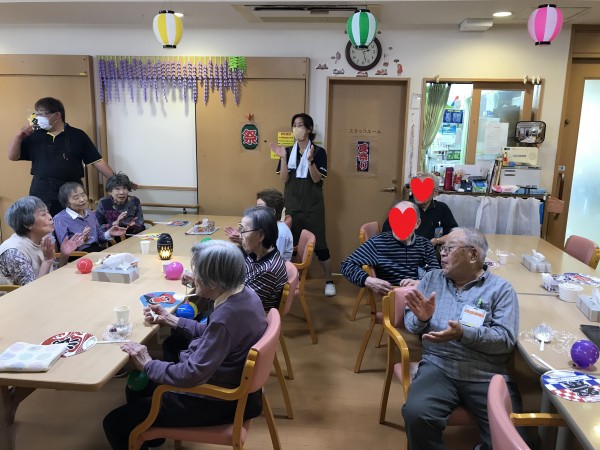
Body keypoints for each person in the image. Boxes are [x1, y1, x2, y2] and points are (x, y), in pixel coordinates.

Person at [103, 240, 266, 450]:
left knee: (115, 423)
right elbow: (213, 335)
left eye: (196, 272)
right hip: (232, 386)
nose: (192, 276)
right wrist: (171, 319)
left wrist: (148, 363)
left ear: (214, 281)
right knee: (137, 388)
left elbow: (191, 374)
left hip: (217, 399)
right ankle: (152, 436)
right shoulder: (244, 294)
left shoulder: (226, 317)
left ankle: (149, 430)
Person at [402, 227, 522, 450]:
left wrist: (463, 334)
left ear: (473, 255)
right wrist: (421, 319)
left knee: (510, 436)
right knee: (417, 414)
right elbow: (410, 323)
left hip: (486, 373)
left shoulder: (501, 289)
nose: (442, 253)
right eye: (442, 248)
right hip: (438, 366)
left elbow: (505, 340)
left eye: (449, 248)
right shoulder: (431, 279)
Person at [7, 97, 122, 216]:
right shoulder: (35, 135)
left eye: (42, 114)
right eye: (36, 114)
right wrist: (19, 136)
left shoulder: (77, 135)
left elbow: (96, 161)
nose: (37, 117)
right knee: (44, 224)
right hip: (42, 190)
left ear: (57, 115)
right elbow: (12, 156)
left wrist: (117, 182)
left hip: (72, 190)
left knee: (75, 223)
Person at [271, 113, 336, 296]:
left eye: (300, 125)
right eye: (294, 125)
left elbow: (316, 179)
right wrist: (283, 158)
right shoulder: (287, 151)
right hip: (292, 205)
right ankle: (293, 280)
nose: (296, 128)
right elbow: (285, 178)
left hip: (313, 206)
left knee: (320, 244)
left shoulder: (319, 151)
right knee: (290, 244)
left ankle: (329, 281)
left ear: (309, 129)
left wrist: (310, 160)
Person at [341, 201, 439, 296]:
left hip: (423, 293)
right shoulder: (378, 243)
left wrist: (420, 282)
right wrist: (368, 280)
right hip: (394, 296)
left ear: (417, 223)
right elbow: (346, 265)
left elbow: (436, 274)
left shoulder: (425, 244)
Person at [0, 196, 84, 286]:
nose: (50, 217)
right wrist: (47, 260)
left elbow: (52, 276)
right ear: (26, 224)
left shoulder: (42, 239)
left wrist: (64, 255)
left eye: (48, 212)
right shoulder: (14, 252)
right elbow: (32, 289)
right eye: (43, 214)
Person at [382, 173, 458, 247]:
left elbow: (455, 233)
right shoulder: (404, 207)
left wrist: (437, 240)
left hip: (431, 250)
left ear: (435, 193)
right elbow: (386, 232)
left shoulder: (442, 208)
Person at [53, 182, 126, 252]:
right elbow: (64, 248)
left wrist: (109, 233)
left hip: (96, 250)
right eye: (76, 198)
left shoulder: (89, 213)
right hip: (79, 255)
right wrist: (81, 240)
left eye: (83, 195)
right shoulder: (60, 219)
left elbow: (100, 237)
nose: (82, 200)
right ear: (66, 202)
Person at [223, 188, 293, 261]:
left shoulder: (280, 232)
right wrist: (244, 239)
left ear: (272, 211)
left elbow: (271, 259)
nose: (256, 210)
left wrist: (243, 240)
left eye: (260, 207)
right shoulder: (267, 225)